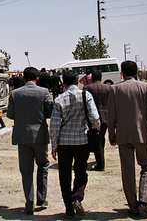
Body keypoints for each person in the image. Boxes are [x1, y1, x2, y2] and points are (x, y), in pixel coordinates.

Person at [107, 60, 147, 216]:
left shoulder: (115, 89)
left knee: (127, 172)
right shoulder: (144, 87)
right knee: (146, 167)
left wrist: (111, 135)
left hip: (123, 136)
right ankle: (143, 199)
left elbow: (111, 115)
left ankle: (133, 206)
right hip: (141, 135)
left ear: (121, 73)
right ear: (136, 72)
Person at [50, 69, 100, 218]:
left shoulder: (59, 99)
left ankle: (68, 208)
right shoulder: (85, 95)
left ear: (63, 82)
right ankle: (77, 197)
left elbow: (54, 125)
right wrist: (96, 129)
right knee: (80, 171)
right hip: (82, 141)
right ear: (77, 81)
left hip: (64, 143)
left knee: (64, 175)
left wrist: (54, 145)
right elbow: (94, 117)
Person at [7, 66, 53, 215]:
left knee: (26, 171)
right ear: (37, 78)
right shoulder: (44, 92)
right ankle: (41, 197)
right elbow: (49, 112)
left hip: (22, 136)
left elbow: (10, 115)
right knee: (43, 165)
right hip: (40, 136)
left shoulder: (14, 94)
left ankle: (29, 202)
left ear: (24, 78)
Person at [83, 70, 111, 171]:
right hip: (105, 117)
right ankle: (100, 159)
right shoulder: (108, 88)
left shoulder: (87, 88)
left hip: (92, 118)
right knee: (101, 138)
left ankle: (100, 163)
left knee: (95, 139)